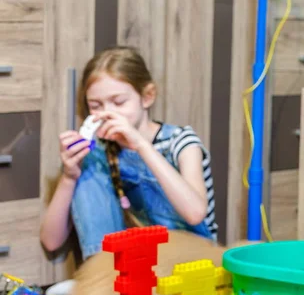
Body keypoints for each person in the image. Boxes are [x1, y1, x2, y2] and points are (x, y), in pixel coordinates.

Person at [40, 46, 217, 260]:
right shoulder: (97, 155)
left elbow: (196, 213)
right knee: (89, 164)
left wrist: (141, 145)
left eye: (119, 102)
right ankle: (105, 273)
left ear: (147, 96)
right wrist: (70, 176)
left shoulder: (180, 141)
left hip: (189, 261)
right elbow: (51, 241)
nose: (108, 113)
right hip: (132, 268)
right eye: (96, 105)